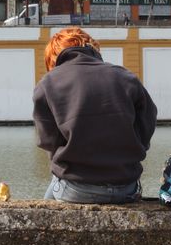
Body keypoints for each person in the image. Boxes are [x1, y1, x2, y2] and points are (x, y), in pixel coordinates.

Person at [33, 27, 157, 204]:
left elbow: (47, 141)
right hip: (126, 187)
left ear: (53, 57)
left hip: (77, 189)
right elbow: (147, 124)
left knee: (46, 206)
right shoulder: (125, 76)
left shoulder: (49, 83)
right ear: (92, 47)